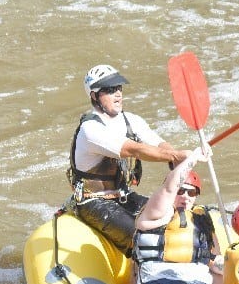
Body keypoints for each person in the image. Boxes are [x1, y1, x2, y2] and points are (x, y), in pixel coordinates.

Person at [67, 64, 190, 256]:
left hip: (124, 195)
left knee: (174, 216)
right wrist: (175, 156)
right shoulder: (90, 129)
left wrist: (179, 156)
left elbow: (158, 144)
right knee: (145, 239)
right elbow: (134, 149)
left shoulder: (131, 120)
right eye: (109, 90)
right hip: (93, 203)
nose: (117, 94)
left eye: (118, 88)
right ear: (94, 96)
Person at [131, 150, 229, 284]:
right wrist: (193, 158)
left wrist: (235, 268)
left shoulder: (201, 218)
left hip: (196, 283)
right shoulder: (157, 213)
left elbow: (215, 261)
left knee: (228, 279)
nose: (185, 196)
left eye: (191, 193)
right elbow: (169, 187)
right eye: (181, 191)